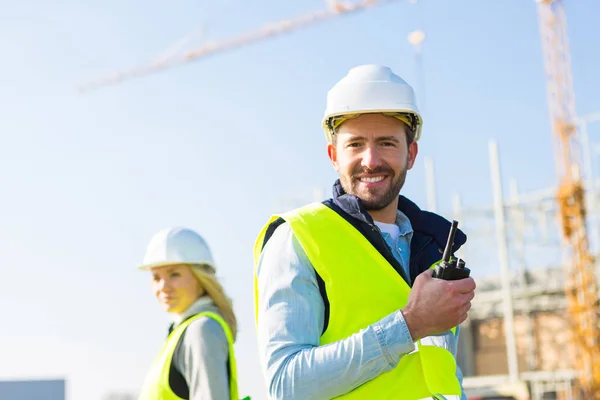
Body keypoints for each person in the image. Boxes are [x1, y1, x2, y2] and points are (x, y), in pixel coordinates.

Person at [252, 64, 476, 400]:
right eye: (355, 145)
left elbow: (440, 376)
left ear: (410, 153)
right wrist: (410, 324)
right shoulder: (299, 237)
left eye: (386, 143)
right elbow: (286, 384)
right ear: (333, 156)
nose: (370, 160)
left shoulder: (433, 251)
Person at [137, 226, 240, 400]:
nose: (163, 286)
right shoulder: (180, 333)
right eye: (156, 277)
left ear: (201, 279)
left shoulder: (202, 330)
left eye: (174, 274)